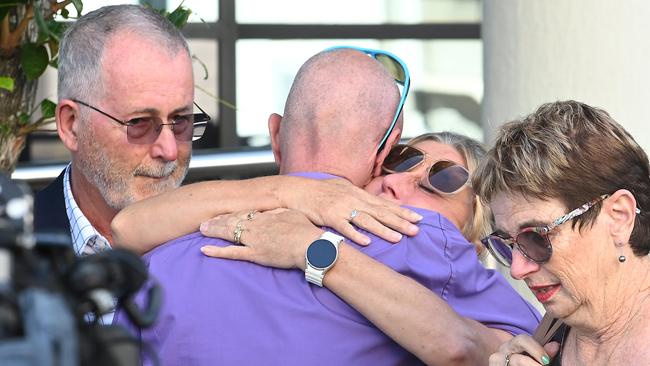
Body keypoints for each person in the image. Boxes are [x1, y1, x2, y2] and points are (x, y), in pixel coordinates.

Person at [114, 48, 539, 365]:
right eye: (400, 159)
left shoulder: (165, 262)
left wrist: (312, 247)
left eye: (444, 181)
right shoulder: (419, 244)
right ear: (380, 155)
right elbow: (540, 348)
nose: (398, 182)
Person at [34, 4, 418, 325]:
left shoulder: (233, 238)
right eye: (139, 124)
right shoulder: (16, 247)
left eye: (182, 121)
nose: (169, 150)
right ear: (71, 125)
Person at [472, 100, 650, 365]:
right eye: (508, 244)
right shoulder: (549, 335)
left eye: (536, 237)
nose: (518, 270)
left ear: (619, 217)